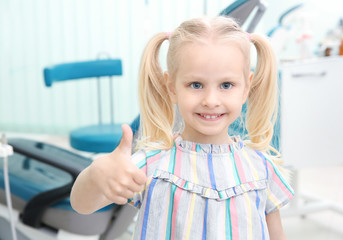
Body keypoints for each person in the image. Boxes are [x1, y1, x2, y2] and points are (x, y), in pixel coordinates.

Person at [70, 16, 294, 239]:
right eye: (196, 85)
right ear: (172, 87)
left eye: (226, 85)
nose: (211, 100)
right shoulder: (151, 165)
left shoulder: (261, 168)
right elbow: (81, 205)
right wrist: (96, 173)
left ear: (246, 88)